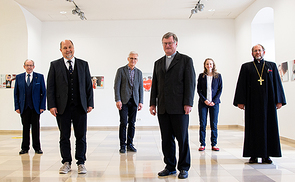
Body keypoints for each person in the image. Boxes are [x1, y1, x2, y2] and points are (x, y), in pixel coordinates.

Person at [149, 32, 196, 179]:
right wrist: (152, 103)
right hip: (163, 107)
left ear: (176, 43)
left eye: (170, 43)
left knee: (182, 139)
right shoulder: (158, 63)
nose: (167, 46)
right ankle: (170, 166)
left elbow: (190, 83)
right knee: (166, 139)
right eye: (165, 43)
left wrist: (188, 103)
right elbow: (154, 85)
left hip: (180, 107)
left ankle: (183, 167)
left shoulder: (186, 60)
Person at [233, 44, 286, 164]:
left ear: (264, 52)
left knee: (269, 128)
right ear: (252, 53)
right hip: (252, 104)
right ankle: (253, 155)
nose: (258, 52)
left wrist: (279, 100)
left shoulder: (271, 66)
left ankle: (267, 155)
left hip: (269, 104)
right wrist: (240, 101)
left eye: (259, 50)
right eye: (255, 51)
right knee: (253, 129)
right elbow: (241, 84)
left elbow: (277, 83)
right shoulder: (246, 67)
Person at [47, 40, 94, 174]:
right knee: (64, 136)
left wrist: (90, 103)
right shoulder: (55, 65)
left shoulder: (83, 64)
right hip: (63, 108)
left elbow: (88, 86)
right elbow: (50, 87)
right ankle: (66, 162)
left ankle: (81, 162)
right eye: (65, 48)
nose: (68, 50)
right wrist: (51, 105)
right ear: (60, 50)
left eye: (70, 47)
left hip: (80, 107)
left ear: (74, 48)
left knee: (81, 136)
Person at [14, 59, 46, 155]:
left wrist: (42, 106)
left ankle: (37, 148)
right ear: (24, 66)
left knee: (36, 128)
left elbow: (43, 93)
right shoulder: (19, 77)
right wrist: (16, 106)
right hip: (23, 107)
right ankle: (24, 148)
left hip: (35, 108)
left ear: (34, 66)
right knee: (25, 128)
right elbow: (16, 93)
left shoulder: (39, 77)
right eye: (27, 65)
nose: (29, 67)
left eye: (31, 65)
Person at [114, 51, 143, 153]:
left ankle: (130, 144)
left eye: (135, 59)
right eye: (131, 58)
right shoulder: (121, 70)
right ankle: (122, 145)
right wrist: (118, 100)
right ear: (128, 59)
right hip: (123, 101)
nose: (133, 60)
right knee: (123, 123)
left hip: (134, 101)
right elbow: (116, 86)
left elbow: (140, 88)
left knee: (132, 123)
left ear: (137, 60)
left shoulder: (139, 73)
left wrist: (141, 102)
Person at [197, 58, 222, 152]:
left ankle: (214, 144)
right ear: (205, 65)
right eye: (207, 64)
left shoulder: (218, 76)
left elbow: (220, 89)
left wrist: (214, 101)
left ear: (213, 65)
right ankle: (202, 144)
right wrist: (205, 100)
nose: (209, 66)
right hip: (203, 103)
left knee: (214, 124)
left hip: (214, 104)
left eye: (210, 64)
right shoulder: (201, 76)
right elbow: (198, 89)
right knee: (203, 124)